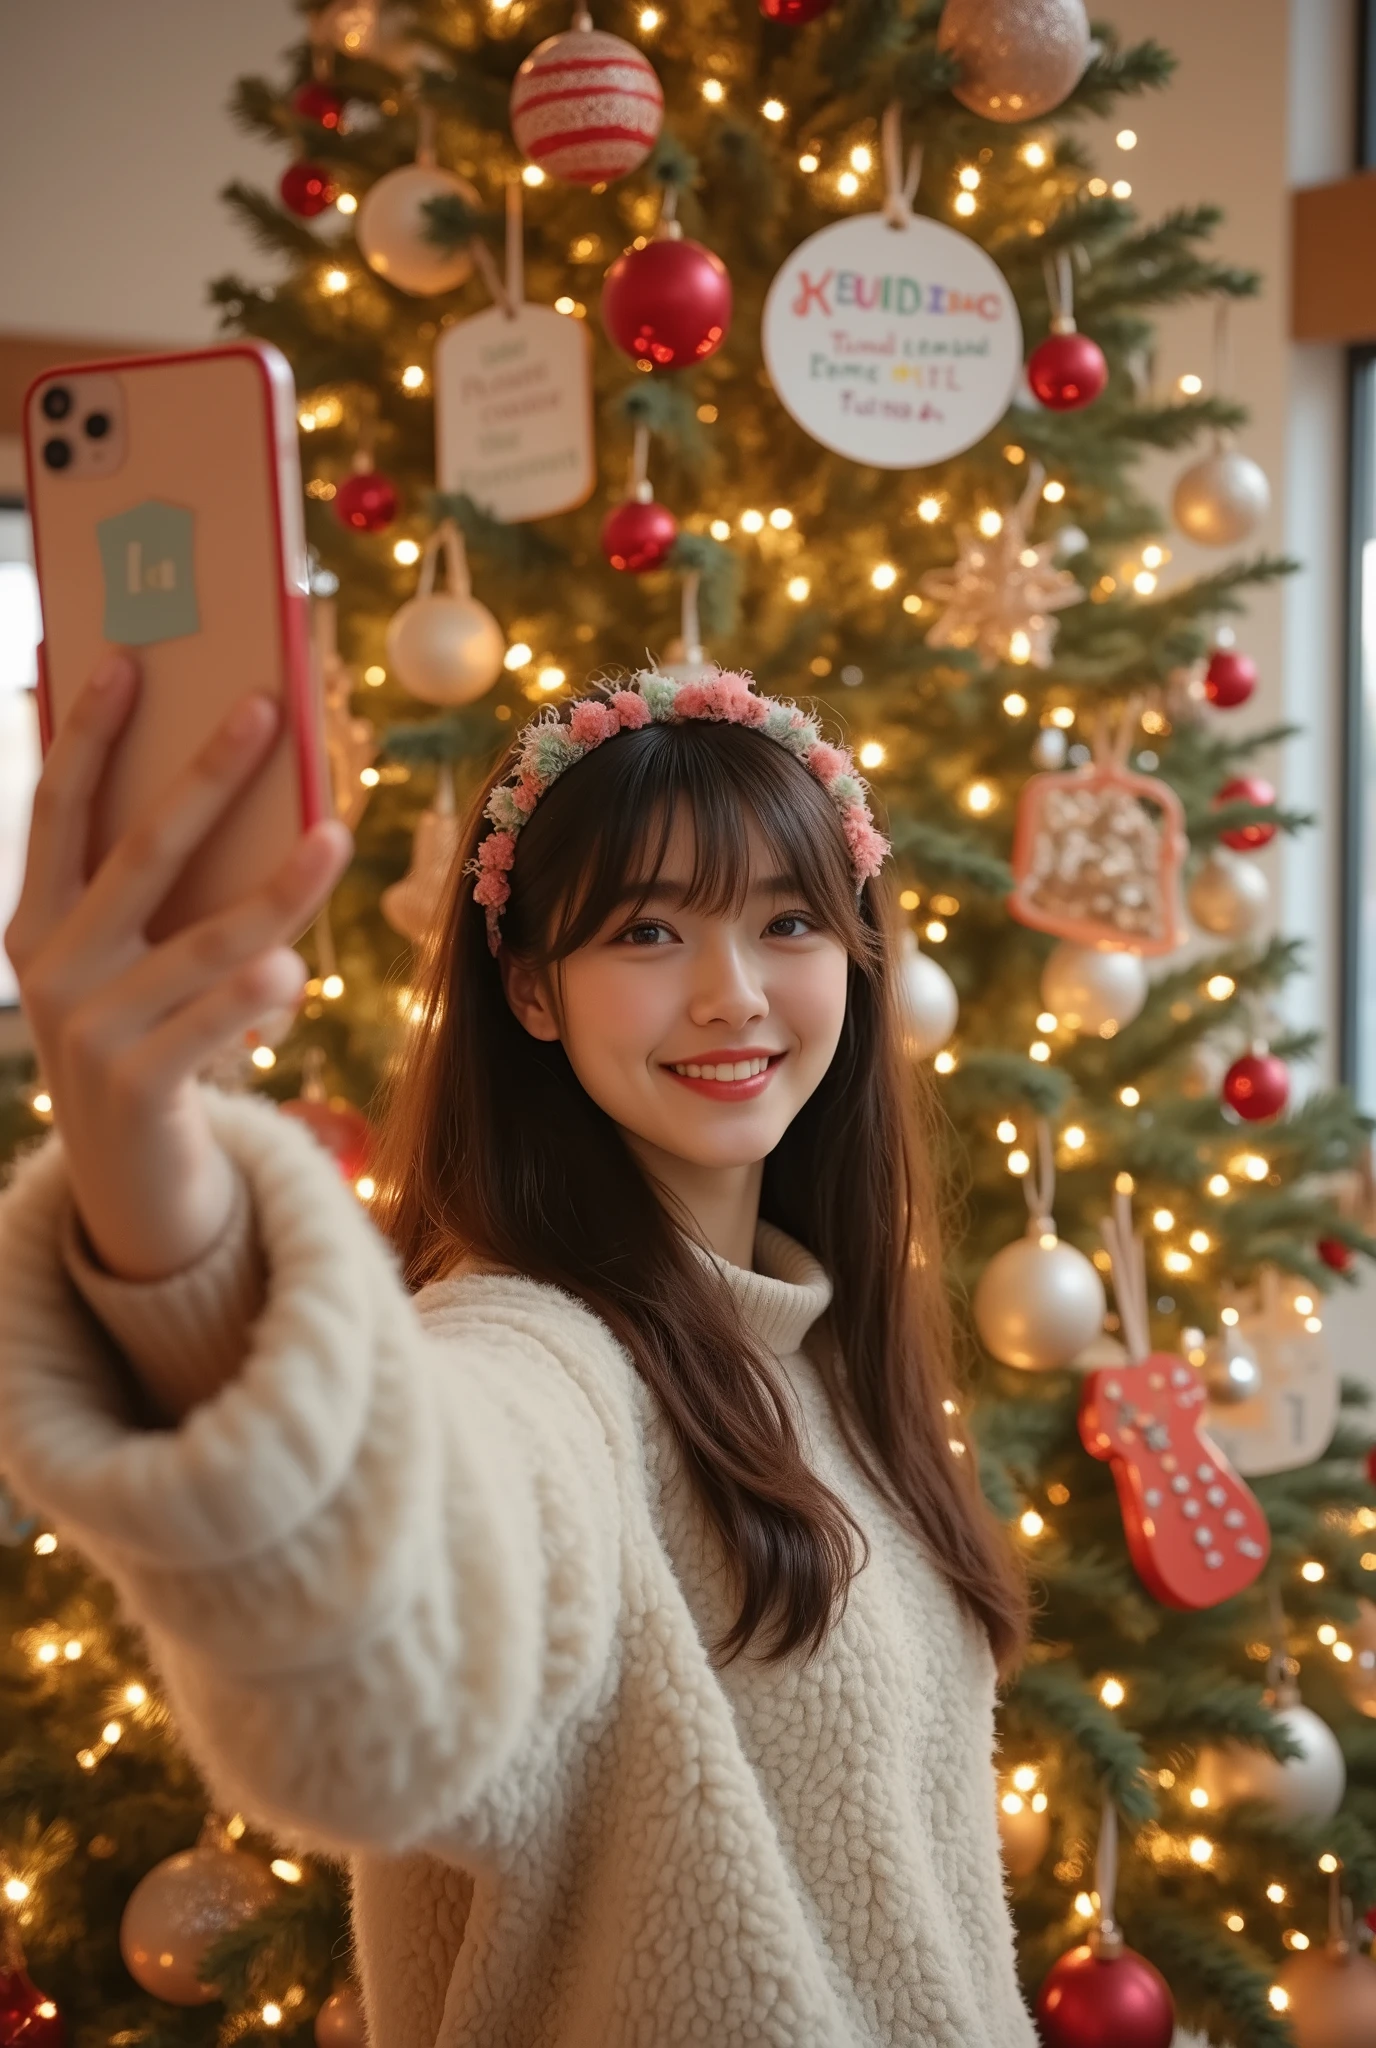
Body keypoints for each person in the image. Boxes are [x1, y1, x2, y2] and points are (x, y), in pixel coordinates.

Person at [0, 651, 1034, 2047]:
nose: (734, 994)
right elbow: (388, 1623)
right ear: (533, 989)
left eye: (788, 921)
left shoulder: (829, 1356)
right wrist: (156, 1210)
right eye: (649, 934)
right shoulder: (535, 1355)